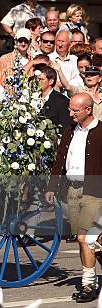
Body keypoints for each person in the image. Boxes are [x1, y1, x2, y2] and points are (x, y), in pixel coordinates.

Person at [45, 93, 102, 303]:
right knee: (91, 240)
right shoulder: (69, 131)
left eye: (75, 110)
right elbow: (61, 159)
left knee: (85, 238)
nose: (70, 114)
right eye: (70, 109)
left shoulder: (101, 131)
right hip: (72, 190)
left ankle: (88, 284)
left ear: (88, 109)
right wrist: (52, 186)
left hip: (95, 191)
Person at [38, 65, 72, 130]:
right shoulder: (31, 98)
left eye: (41, 79)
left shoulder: (62, 101)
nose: (37, 82)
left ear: (51, 81)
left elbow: (65, 126)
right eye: (36, 79)